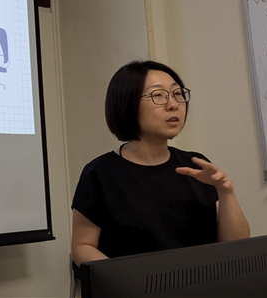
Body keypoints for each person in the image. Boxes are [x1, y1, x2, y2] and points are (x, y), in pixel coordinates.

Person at [71, 60, 250, 269]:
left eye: (177, 94)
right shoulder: (100, 173)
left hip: (203, 282)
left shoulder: (196, 165)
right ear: (127, 103)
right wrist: (127, 280)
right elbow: (82, 247)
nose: (173, 104)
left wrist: (226, 191)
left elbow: (237, 246)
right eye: (158, 95)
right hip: (134, 285)